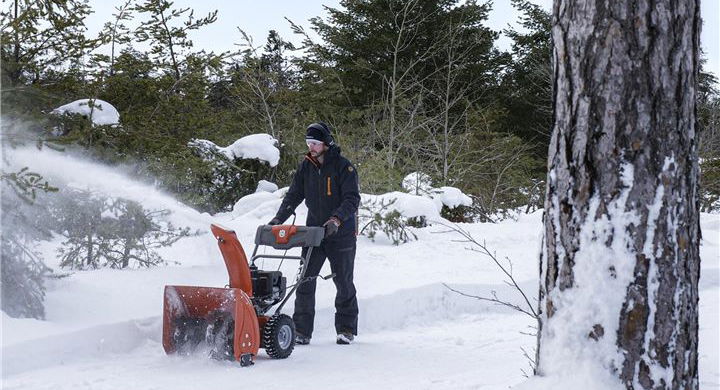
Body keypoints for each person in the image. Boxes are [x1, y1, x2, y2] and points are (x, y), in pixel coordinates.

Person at [268, 122, 361, 345]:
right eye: (308, 143)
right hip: (313, 233)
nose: (311, 147)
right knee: (305, 281)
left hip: (341, 234)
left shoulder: (343, 167)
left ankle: (346, 329)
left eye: (315, 143)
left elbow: (352, 199)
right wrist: (278, 219)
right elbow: (293, 195)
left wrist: (336, 219)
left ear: (326, 143)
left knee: (344, 282)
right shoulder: (306, 166)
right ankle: (301, 331)